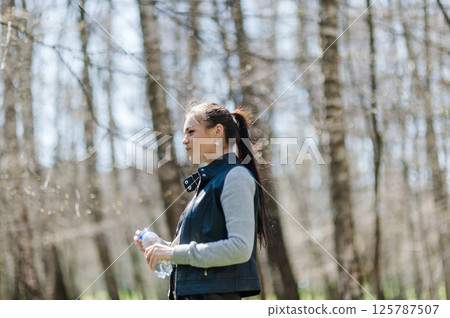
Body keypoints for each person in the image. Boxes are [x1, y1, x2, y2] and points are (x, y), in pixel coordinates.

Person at [134, 101, 270, 300]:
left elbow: (240, 248)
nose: (184, 140)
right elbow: (195, 251)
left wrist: (171, 253)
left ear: (217, 131)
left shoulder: (235, 176)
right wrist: (160, 247)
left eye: (191, 132)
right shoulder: (207, 183)